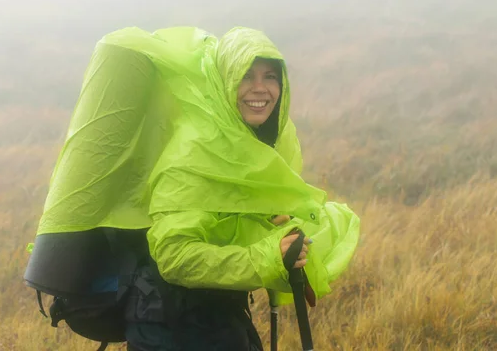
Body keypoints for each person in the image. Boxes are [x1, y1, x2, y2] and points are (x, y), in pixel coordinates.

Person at [123, 27, 360, 350]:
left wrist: (272, 230)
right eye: (246, 76)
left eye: (270, 77)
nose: (260, 89)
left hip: (219, 313)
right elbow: (173, 256)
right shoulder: (193, 151)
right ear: (225, 82)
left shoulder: (251, 147)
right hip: (168, 324)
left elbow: (231, 220)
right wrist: (266, 257)